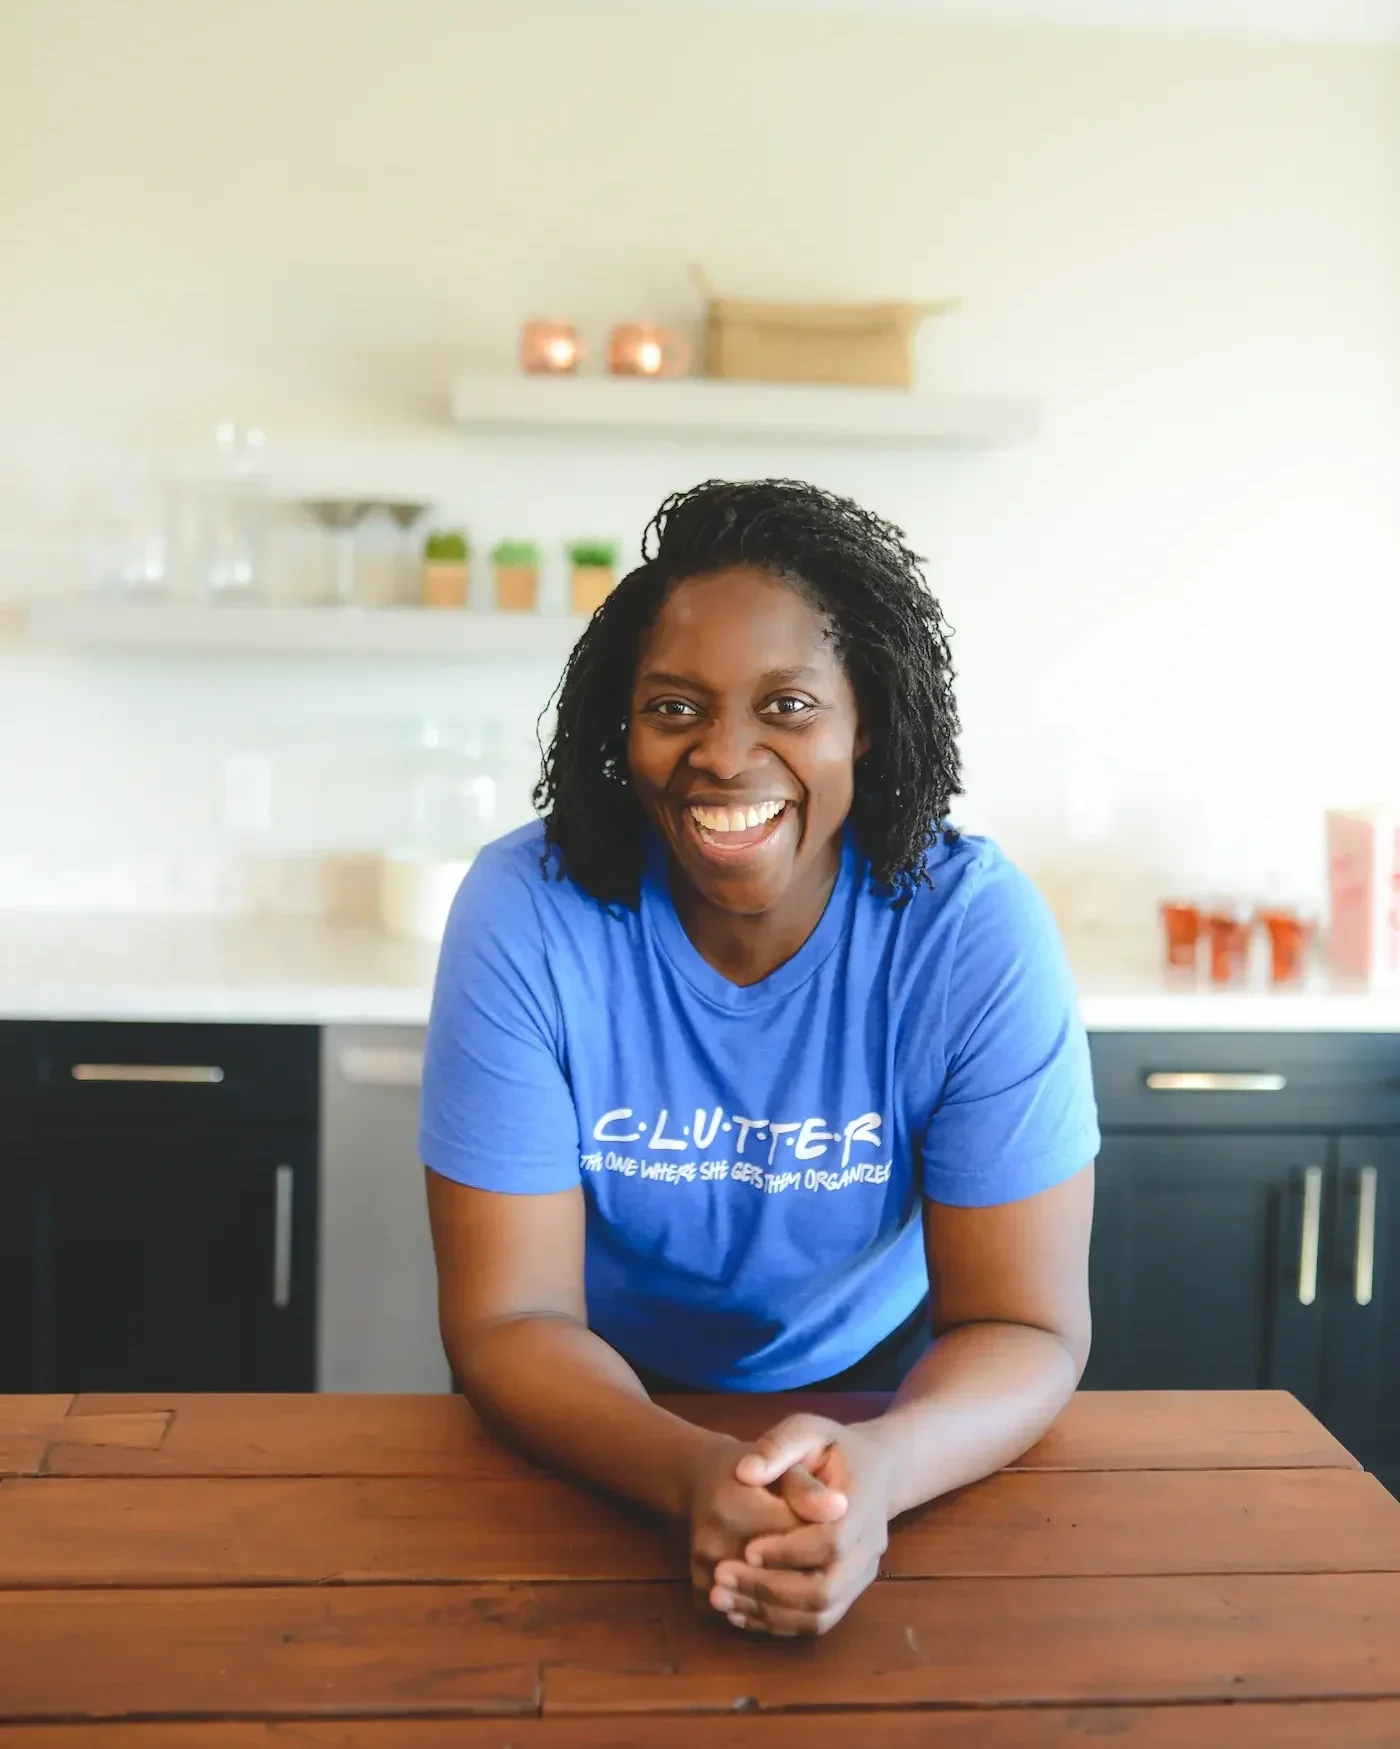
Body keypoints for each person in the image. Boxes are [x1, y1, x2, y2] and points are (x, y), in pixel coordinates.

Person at [421, 478, 1099, 1639]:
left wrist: (877, 1470)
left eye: (786, 704)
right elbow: (510, 1319)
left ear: (864, 720)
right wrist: (691, 1473)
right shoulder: (527, 911)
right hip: (589, 1408)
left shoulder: (967, 928)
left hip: (894, 1399)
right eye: (674, 706)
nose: (724, 756)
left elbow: (1022, 1326)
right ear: (616, 726)